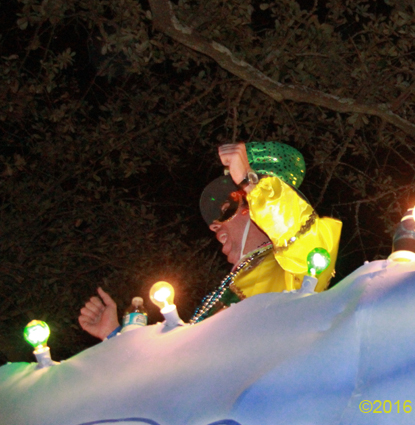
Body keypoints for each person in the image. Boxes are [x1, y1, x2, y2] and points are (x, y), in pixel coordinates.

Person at [78, 141, 342, 338]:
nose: (215, 225)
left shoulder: (300, 271)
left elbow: (303, 233)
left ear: (257, 211)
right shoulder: (227, 290)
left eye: (227, 210)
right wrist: (114, 335)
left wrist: (251, 183)